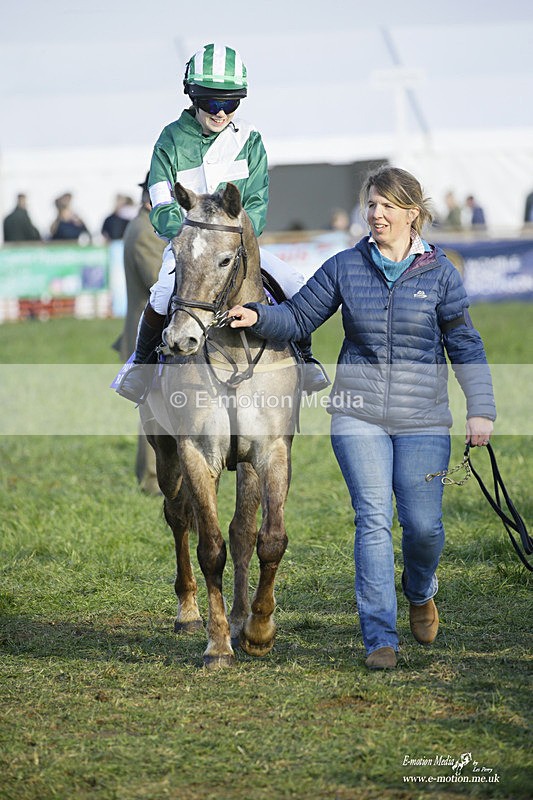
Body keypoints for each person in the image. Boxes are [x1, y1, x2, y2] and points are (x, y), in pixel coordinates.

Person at [228, 166, 496, 670]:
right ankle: (379, 638)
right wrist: (259, 316)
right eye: (370, 205)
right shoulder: (345, 266)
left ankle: (420, 590)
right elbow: (301, 317)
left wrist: (480, 408)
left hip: (424, 419)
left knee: (422, 527)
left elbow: (465, 342)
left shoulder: (440, 274)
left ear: (412, 213)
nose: (376, 214)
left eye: (387, 206)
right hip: (358, 416)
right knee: (373, 520)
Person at [116, 42, 329, 404]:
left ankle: (306, 361)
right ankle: (140, 365)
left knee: (294, 282)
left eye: (230, 104)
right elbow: (161, 200)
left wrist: (236, 236)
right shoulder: (169, 140)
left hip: (237, 245)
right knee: (162, 294)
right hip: (189, 248)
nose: (220, 113)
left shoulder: (250, 138)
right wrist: (187, 235)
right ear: (193, 97)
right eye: (212, 103)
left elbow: (258, 201)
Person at [117, 175, 166, 494]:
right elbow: (160, 283)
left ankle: (150, 475)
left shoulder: (147, 226)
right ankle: (151, 479)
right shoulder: (146, 232)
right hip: (147, 333)